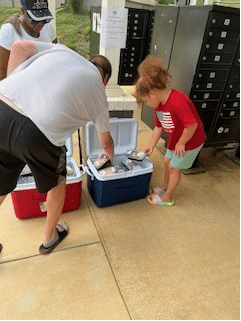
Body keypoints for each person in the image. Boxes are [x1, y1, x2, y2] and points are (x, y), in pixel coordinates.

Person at [0, 40, 114, 254]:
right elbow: (105, 141)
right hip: (37, 132)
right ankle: (50, 237)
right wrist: (108, 154)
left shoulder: (64, 51)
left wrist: (12, 85)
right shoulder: (98, 89)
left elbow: (19, 48)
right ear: (105, 78)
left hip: (1, 106)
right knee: (58, 182)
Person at [135, 55, 206, 206]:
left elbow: (192, 125)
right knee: (167, 161)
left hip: (190, 140)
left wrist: (181, 143)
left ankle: (168, 197)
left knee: (174, 167)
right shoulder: (158, 105)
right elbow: (158, 127)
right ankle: (165, 187)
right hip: (178, 139)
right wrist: (152, 145)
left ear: (152, 93)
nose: (147, 104)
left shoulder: (177, 101)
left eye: (146, 100)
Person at [0, 0, 57, 80]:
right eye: (34, 20)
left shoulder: (48, 27)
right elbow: (2, 72)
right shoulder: (9, 32)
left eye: (44, 19)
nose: (40, 24)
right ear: (23, 11)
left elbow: (56, 54)